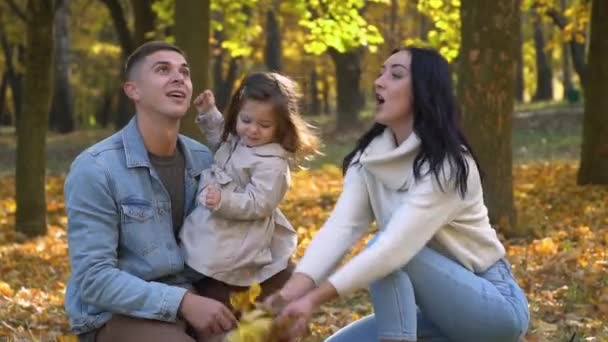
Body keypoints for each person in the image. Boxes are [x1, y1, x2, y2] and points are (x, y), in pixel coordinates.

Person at [270, 47, 530, 342]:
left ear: (423, 91)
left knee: (386, 249)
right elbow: (340, 229)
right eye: (381, 73)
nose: (379, 81)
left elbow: (394, 248)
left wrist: (313, 300)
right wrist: (289, 295)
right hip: (435, 314)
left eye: (395, 75)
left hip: (493, 308)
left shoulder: (447, 164)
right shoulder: (367, 160)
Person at [63, 41, 238, 342]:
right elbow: (94, 280)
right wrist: (183, 303)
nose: (178, 78)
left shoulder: (202, 159)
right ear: (133, 90)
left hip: (193, 293)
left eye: (184, 72)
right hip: (114, 315)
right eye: (162, 70)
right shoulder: (95, 168)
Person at [179, 72, 319, 314]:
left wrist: (224, 200)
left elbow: (259, 203)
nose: (252, 130)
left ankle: (228, 301)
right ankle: (197, 289)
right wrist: (209, 113)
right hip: (216, 223)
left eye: (264, 125)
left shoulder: (272, 163)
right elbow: (221, 140)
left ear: (281, 126)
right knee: (199, 249)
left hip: (240, 233)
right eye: (246, 120)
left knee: (224, 267)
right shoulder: (240, 140)